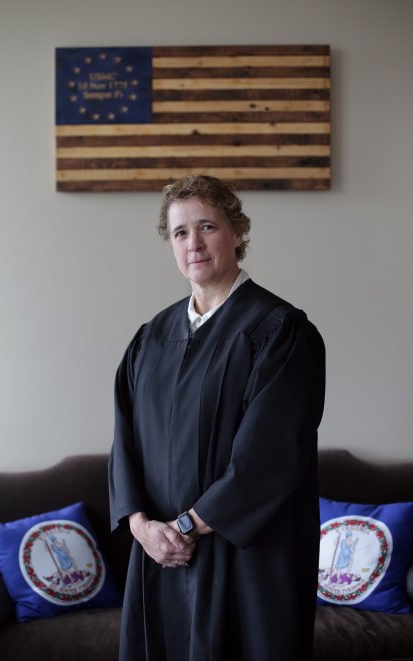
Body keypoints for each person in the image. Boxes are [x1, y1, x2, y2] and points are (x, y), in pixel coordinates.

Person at [109, 175, 326, 661]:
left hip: (246, 560)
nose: (195, 243)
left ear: (237, 232)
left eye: (207, 226)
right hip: (159, 557)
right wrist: (143, 528)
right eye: (181, 232)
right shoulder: (150, 339)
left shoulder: (280, 331)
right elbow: (124, 441)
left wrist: (184, 528)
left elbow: (272, 455)